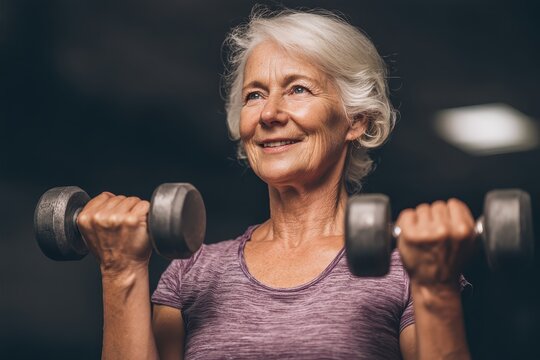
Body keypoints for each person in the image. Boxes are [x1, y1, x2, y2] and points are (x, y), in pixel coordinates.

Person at [77, 8, 474, 360]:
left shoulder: (410, 263)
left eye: (298, 89)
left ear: (357, 120)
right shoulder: (193, 271)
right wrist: (121, 270)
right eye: (255, 95)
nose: (269, 113)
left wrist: (436, 287)